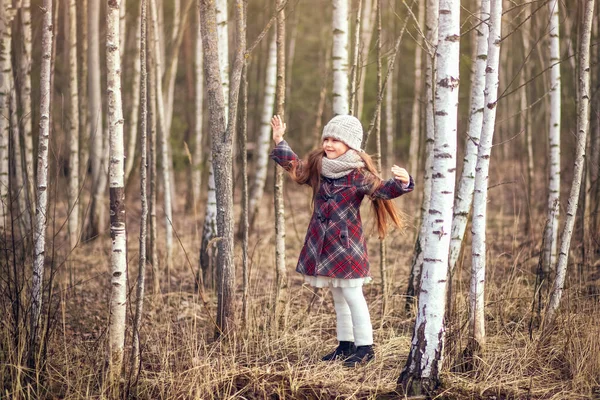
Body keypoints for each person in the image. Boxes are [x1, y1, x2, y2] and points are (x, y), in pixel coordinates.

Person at [269, 114, 414, 367]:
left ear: (350, 144)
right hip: (322, 242)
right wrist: (279, 140)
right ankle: (345, 345)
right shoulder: (319, 167)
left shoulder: (357, 174)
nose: (329, 144)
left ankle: (366, 347)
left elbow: (383, 190)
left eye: (336, 139)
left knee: (352, 293)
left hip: (346, 244)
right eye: (327, 138)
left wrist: (404, 182)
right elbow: (297, 168)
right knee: (337, 293)